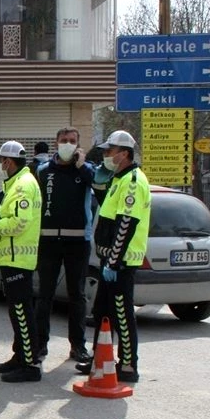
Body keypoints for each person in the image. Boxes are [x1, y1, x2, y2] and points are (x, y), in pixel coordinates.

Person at [76, 130, 150, 384]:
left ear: (124, 154)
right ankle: (101, 359)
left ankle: (128, 365)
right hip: (111, 259)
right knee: (102, 312)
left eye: (110, 151)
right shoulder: (119, 179)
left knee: (122, 313)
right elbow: (106, 209)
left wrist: (114, 261)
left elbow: (125, 225)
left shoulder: (133, 182)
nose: (106, 155)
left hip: (122, 262)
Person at [34, 127, 96, 364]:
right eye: (64, 141)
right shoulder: (43, 170)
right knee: (44, 295)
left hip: (78, 242)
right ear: (56, 143)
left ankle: (78, 346)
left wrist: (83, 165)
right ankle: (40, 345)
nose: (67, 144)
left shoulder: (85, 170)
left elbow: (101, 186)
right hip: (48, 240)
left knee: (77, 295)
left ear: (78, 144)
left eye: (72, 141)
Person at [0, 140, 43, 383]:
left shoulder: (22, 186)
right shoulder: (18, 183)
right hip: (13, 258)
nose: (0, 165)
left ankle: (30, 365)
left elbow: (19, 223)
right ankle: (20, 356)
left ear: (8, 161)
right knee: (17, 311)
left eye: (1, 161)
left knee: (22, 312)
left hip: (17, 258)